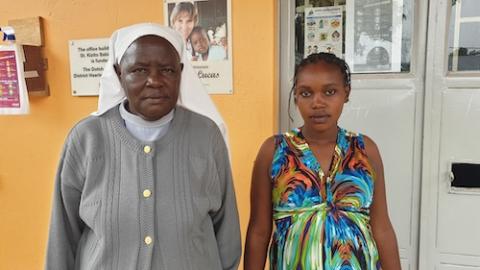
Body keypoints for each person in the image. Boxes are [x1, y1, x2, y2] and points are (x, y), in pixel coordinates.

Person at [45, 23, 241, 270]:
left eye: (167, 70)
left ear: (181, 72)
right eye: (138, 70)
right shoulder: (86, 139)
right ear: (118, 73)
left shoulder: (207, 136)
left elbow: (226, 232)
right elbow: (63, 235)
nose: (154, 81)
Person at [244, 52, 401, 269]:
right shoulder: (274, 151)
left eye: (330, 92)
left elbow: (382, 228)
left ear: (346, 93)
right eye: (306, 93)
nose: (318, 103)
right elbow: (258, 233)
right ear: (296, 96)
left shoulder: (365, 150)